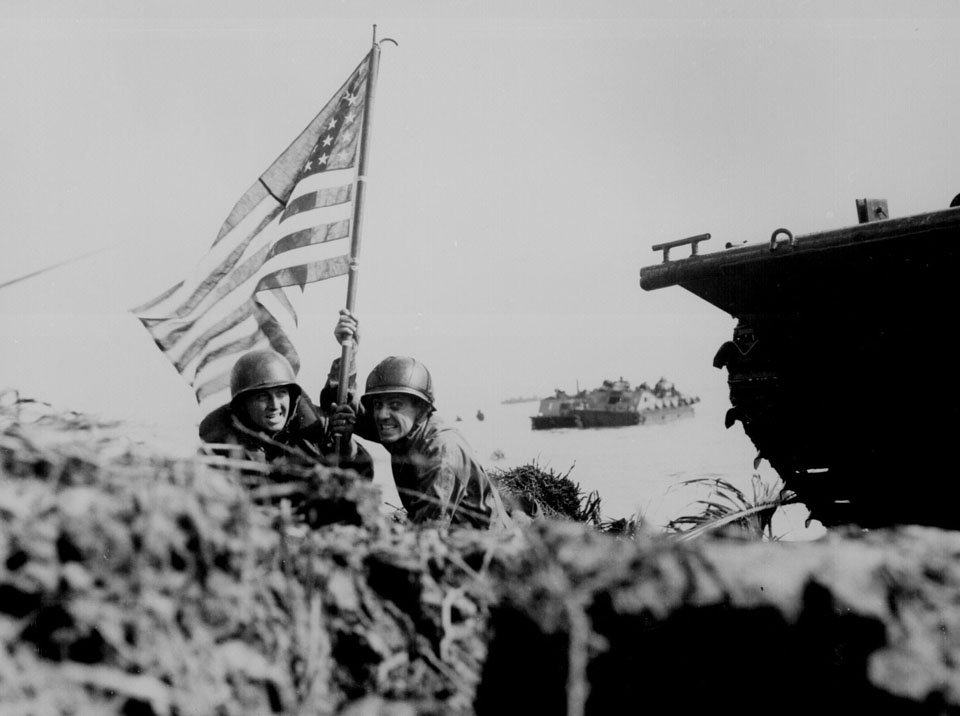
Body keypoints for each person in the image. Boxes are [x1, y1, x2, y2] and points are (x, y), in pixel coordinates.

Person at [346, 354, 509, 529]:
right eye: (378, 405)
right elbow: (343, 405)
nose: (382, 415)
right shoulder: (402, 430)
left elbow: (428, 534)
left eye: (395, 405)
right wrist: (350, 353)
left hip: (487, 547)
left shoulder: (442, 452)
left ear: (421, 408)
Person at [199, 333, 373, 479]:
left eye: (281, 393)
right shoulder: (221, 445)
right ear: (243, 404)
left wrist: (346, 446)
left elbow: (363, 476)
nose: (274, 405)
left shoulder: (316, 431)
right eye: (262, 396)